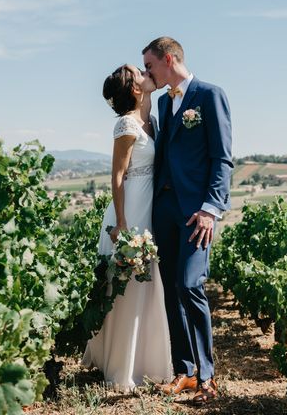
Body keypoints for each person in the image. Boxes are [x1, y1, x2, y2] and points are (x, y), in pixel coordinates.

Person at [143, 37, 233, 404]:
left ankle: (208, 377)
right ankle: (186, 371)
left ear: (168, 59)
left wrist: (212, 208)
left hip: (197, 213)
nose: (147, 74)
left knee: (190, 284)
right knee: (170, 289)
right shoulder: (164, 102)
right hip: (164, 208)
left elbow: (222, 158)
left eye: (150, 67)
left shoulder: (210, 95)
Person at [81, 64, 173, 389]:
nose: (145, 74)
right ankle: (123, 366)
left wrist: (158, 78)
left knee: (148, 283)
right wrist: (121, 223)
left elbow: (152, 93)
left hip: (148, 206)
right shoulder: (126, 123)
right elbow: (117, 176)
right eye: (140, 73)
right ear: (134, 89)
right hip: (130, 209)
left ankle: (147, 360)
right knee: (128, 285)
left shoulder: (147, 114)